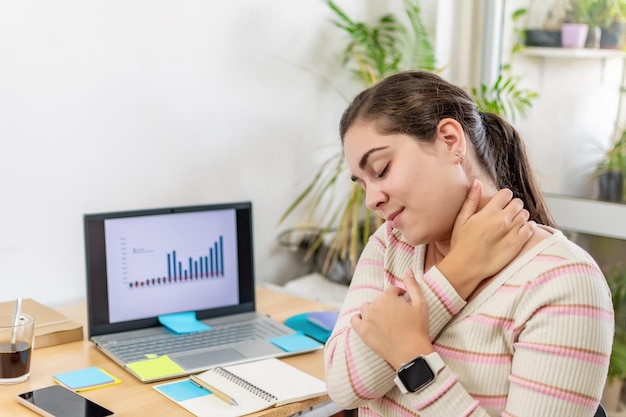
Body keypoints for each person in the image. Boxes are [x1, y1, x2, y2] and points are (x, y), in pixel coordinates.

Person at [324, 70, 614, 417]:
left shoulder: (564, 281)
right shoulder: (391, 245)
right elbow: (342, 387)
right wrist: (456, 274)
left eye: (382, 169)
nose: (372, 199)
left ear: (450, 140)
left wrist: (412, 360)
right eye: (362, 183)